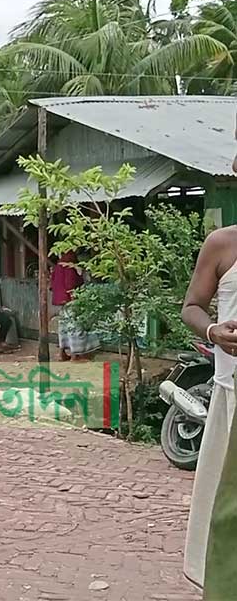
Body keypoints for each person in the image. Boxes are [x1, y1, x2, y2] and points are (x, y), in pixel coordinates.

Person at [180, 224, 237, 595]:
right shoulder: (223, 243)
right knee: (228, 514)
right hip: (232, 395)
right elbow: (191, 307)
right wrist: (214, 331)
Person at [50, 251, 99, 362]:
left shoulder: (58, 265)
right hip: (70, 300)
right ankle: (74, 355)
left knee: (63, 326)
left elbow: (52, 284)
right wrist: (74, 299)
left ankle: (62, 353)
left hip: (61, 300)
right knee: (74, 326)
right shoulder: (69, 266)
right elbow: (70, 284)